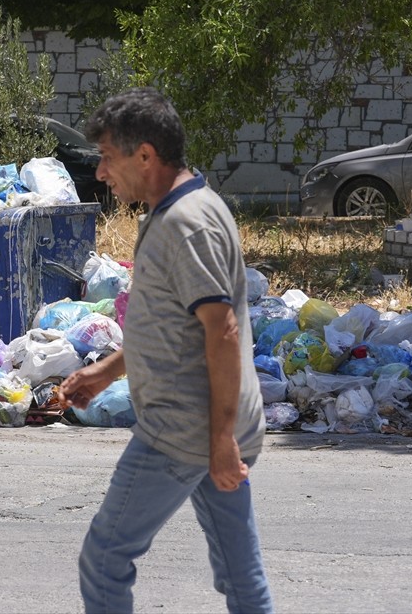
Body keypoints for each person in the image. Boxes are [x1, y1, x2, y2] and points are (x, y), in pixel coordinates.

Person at [59, 88, 273, 613]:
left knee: (105, 557)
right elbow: (173, 324)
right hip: (213, 428)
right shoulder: (176, 207)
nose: (102, 173)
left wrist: (219, 440)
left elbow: (219, 331)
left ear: (145, 156)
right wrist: (107, 371)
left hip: (184, 432)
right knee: (240, 577)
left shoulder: (187, 223)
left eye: (108, 157)